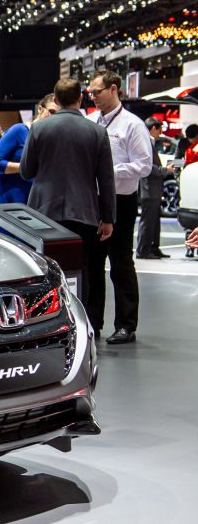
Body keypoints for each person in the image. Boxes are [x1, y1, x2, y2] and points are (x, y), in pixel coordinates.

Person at [20, 78, 116, 336]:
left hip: (43, 213)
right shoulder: (96, 131)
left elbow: (26, 170)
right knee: (88, 271)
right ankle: (90, 325)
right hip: (84, 212)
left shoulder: (39, 129)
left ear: (56, 100)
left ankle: (44, 326)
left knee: (43, 271)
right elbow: (106, 179)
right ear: (80, 99)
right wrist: (108, 218)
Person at [86, 70, 151, 344]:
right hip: (91, 202)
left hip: (121, 202)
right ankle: (92, 322)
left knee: (120, 263)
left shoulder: (132, 125)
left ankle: (126, 325)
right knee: (92, 264)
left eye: (96, 92)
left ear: (113, 89)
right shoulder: (89, 122)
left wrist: (109, 171)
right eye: (89, 93)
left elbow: (144, 165)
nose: (92, 96)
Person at [0, 95, 57, 231]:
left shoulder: (51, 139)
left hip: (32, 204)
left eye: (58, 114)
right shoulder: (19, 130)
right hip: (6, 199)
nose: (54, 117)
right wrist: (25, 167)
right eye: (51, 111)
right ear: (40, 109)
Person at [136, 117, 170, 259]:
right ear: (153, 129)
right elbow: (147, 168)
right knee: (148, 222)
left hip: (153, 189)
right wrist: (165, 170)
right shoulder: (146, 144)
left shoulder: (151, 143)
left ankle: (154, 248)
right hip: (149, 189)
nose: (161, 132)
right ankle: (143, 250)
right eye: (159, 128)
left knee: (155, 222)